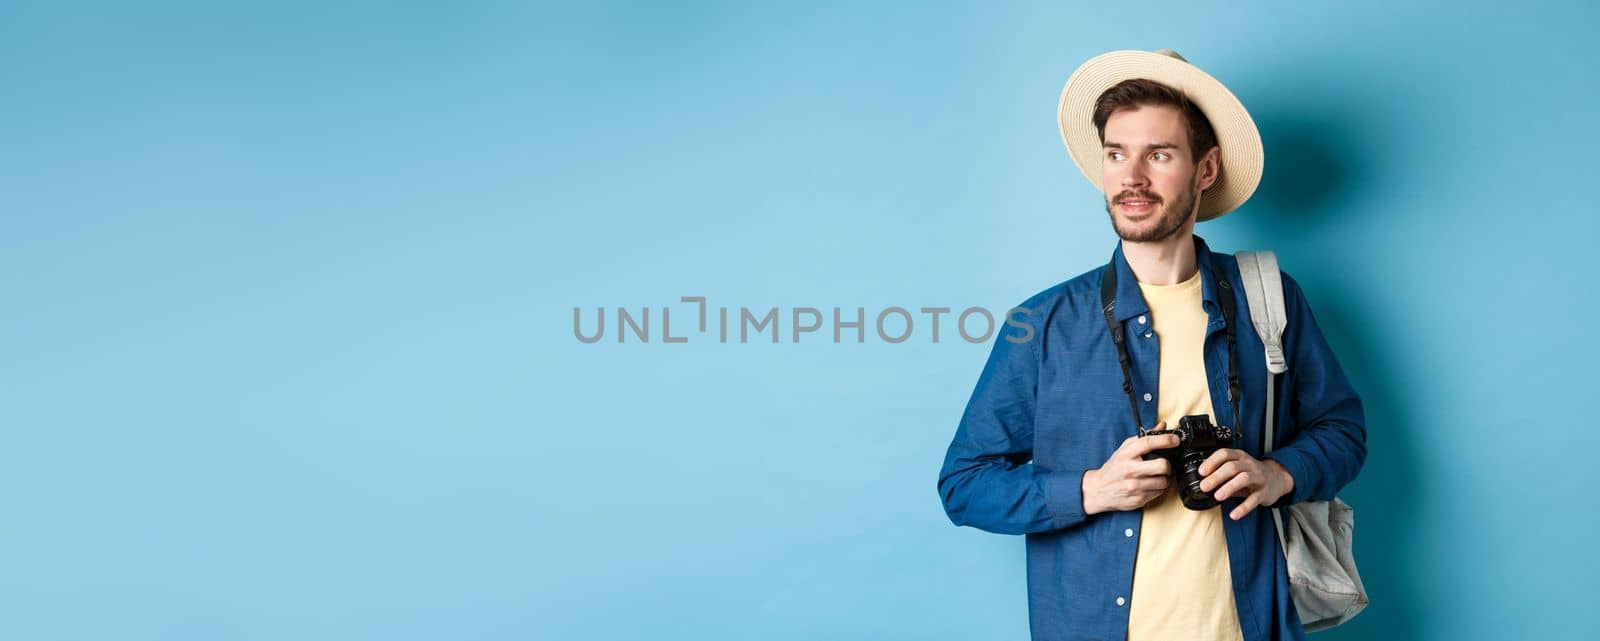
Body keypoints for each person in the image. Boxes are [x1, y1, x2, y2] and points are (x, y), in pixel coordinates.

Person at [935, 49, 1366, 641]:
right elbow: (963, 485)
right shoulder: (1041, 322)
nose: (1131, 177)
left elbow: (1342, 431)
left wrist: (1278, 474)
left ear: (1205, 169)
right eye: (1117, 153)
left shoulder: (1269, 297)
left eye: (1158, 154)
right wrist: (1089, 490)